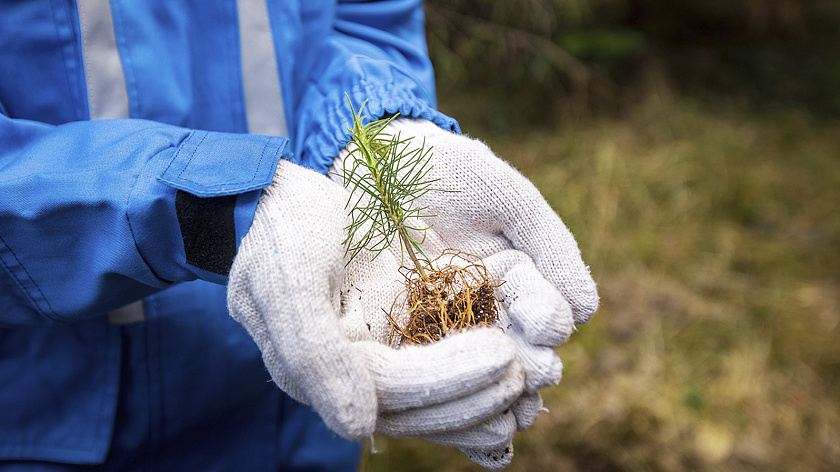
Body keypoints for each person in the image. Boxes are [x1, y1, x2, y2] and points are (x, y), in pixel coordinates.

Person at [0, 0, 598, 470]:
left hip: (310, 411)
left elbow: (362, 19)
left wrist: (374, 124)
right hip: (62, 428)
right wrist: (211, 208)